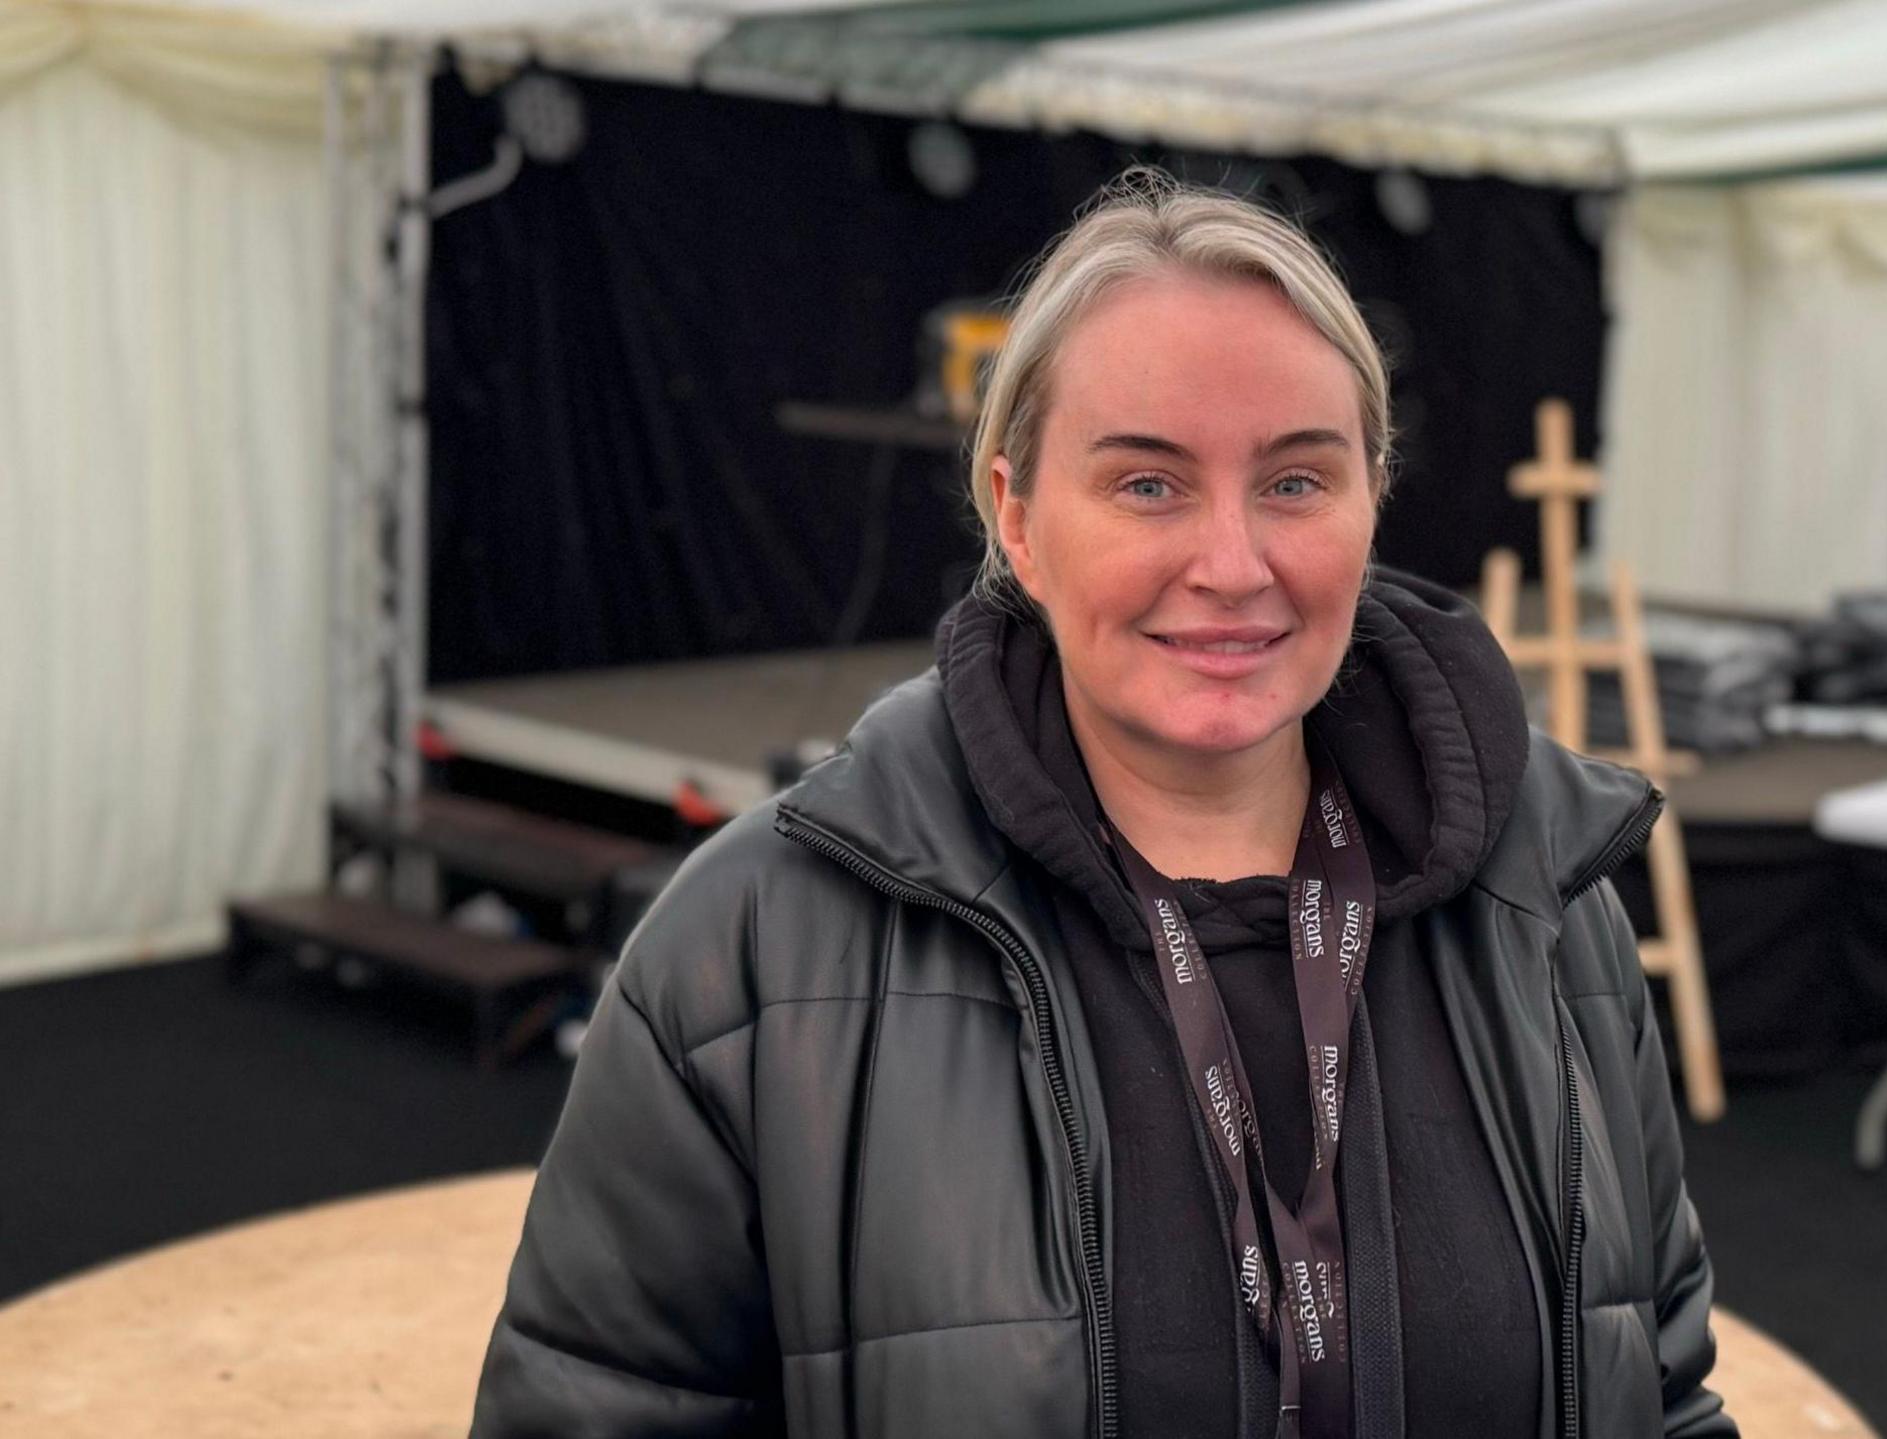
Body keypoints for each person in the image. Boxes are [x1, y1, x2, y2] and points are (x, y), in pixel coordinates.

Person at [473, 169, 1734, 1439]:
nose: (1232, 566)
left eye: (1296, 481)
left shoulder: (1542, 910)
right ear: (1016, 518)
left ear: (1370, 497)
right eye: (1147, 484)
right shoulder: (753, 949)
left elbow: (1661, 1397)